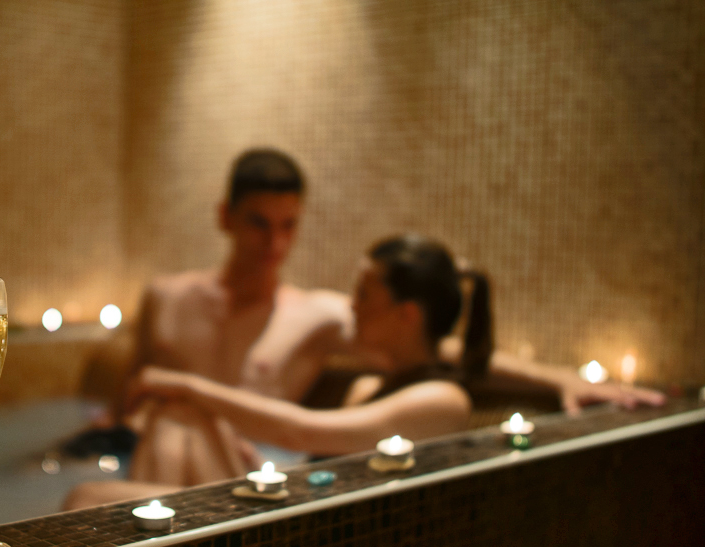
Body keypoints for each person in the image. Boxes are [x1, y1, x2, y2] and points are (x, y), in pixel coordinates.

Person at [63, 148, 663, 459]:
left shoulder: (316, 316)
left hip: (241, 474)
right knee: (161, 434)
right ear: (225, 217)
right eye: (258, 223)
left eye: (289, 226)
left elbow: (438, 346)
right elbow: (125, 399)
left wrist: (559, 377)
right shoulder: (165, 297)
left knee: (183, 421)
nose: (275, 245)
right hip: (148, 456)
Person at [62, 235, 487, 509]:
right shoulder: (368, 385)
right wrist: (260, 461)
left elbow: (301, 432)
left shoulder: (442, 402)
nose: (351, 305)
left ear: (406, 315)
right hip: (288, 506)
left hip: (302, 540)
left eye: (363, 294)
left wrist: (188, 384)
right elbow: (323, 466)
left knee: (87, 497)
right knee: (178, 416)